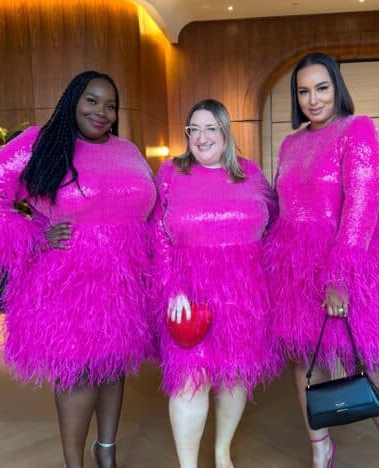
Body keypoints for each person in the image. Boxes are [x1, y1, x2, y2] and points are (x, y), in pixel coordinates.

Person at [0, 70, 156, 468]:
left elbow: (150, 209)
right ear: (72, 99)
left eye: (110, 105)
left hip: (121, 282)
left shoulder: (128, 150)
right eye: (91, 100)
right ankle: (74, 463)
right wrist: (32, 236)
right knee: (78, 373)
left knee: (112, 367)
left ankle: (107, 453)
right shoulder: (43, 142)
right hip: (70, 281)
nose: (101, 112)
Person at [266, 52, 379, 468]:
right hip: (296, 267)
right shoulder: (290, 143)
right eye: (303, 91)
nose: (312, 99)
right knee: (305, 360)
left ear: (336, 87)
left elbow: (362, 209)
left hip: (352, 262)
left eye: (321, 88)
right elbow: (282, 206)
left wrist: (340, 277)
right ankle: (321, 450)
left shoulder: (358, 130)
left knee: (378, 365)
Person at [151, 99, 280, 468]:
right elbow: (157, 235)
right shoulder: (171, 173)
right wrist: (170, 285)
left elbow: (273, 227)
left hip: (244, 292)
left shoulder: (252, 173)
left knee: (234, 376)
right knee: (190, 379)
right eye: (194, 129)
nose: (202, 137)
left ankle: (223, 451)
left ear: (226, 132)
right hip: (189, 291)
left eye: (211, 128)